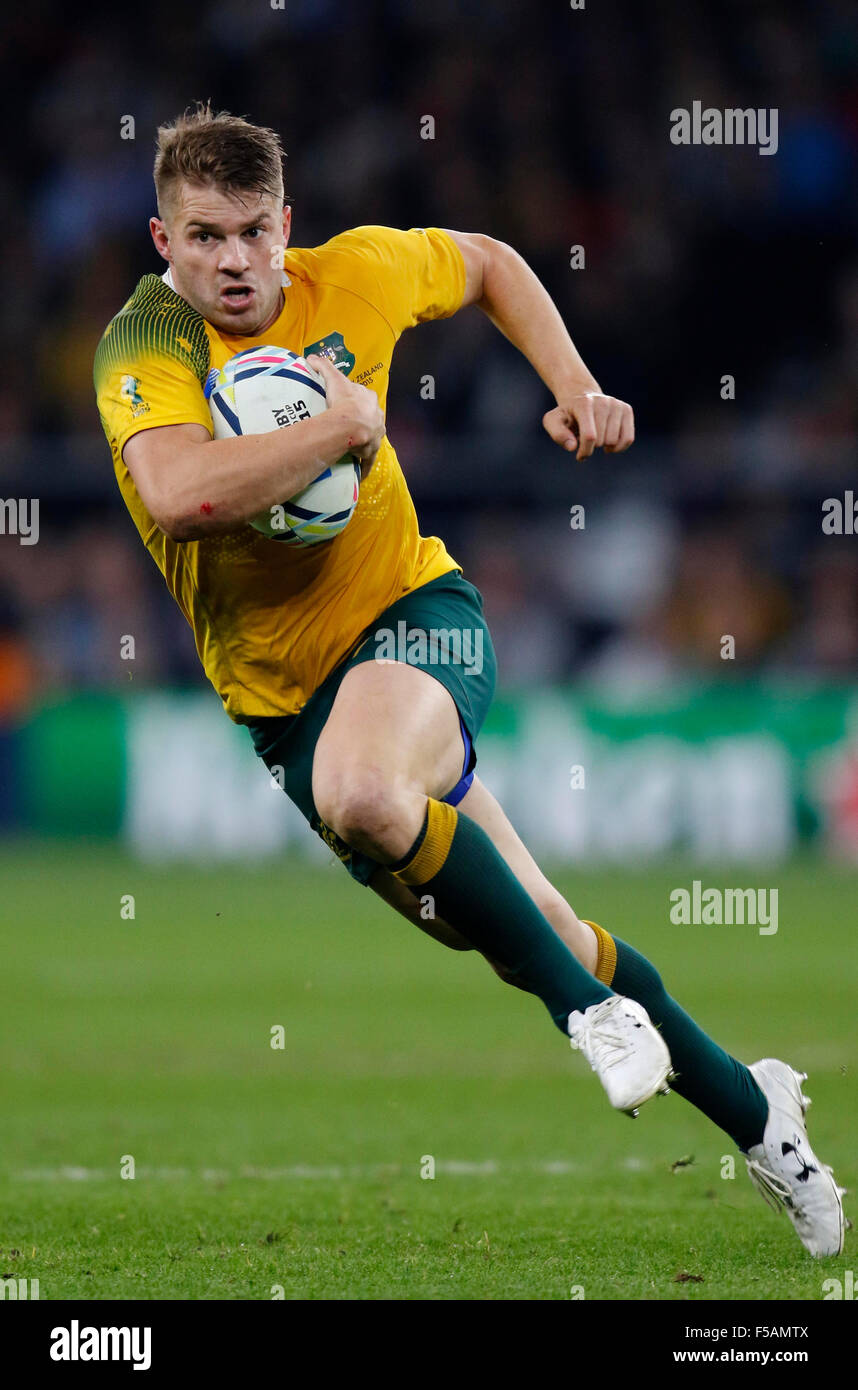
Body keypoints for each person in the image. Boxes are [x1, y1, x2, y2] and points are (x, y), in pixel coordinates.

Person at [94, 104, 844, 1257]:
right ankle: (762, 1115)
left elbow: (488, 265)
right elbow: (181, 494)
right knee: (525, 923)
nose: (233, 262)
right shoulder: (143, 347)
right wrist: (341, 423)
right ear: (162, 240)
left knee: (365, 792)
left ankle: (591, 1015)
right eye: (204, 237)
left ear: (287, 225)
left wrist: (576, 381)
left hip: (417, 622)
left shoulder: (357, 275)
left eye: (252, 232)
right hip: (285, 707)